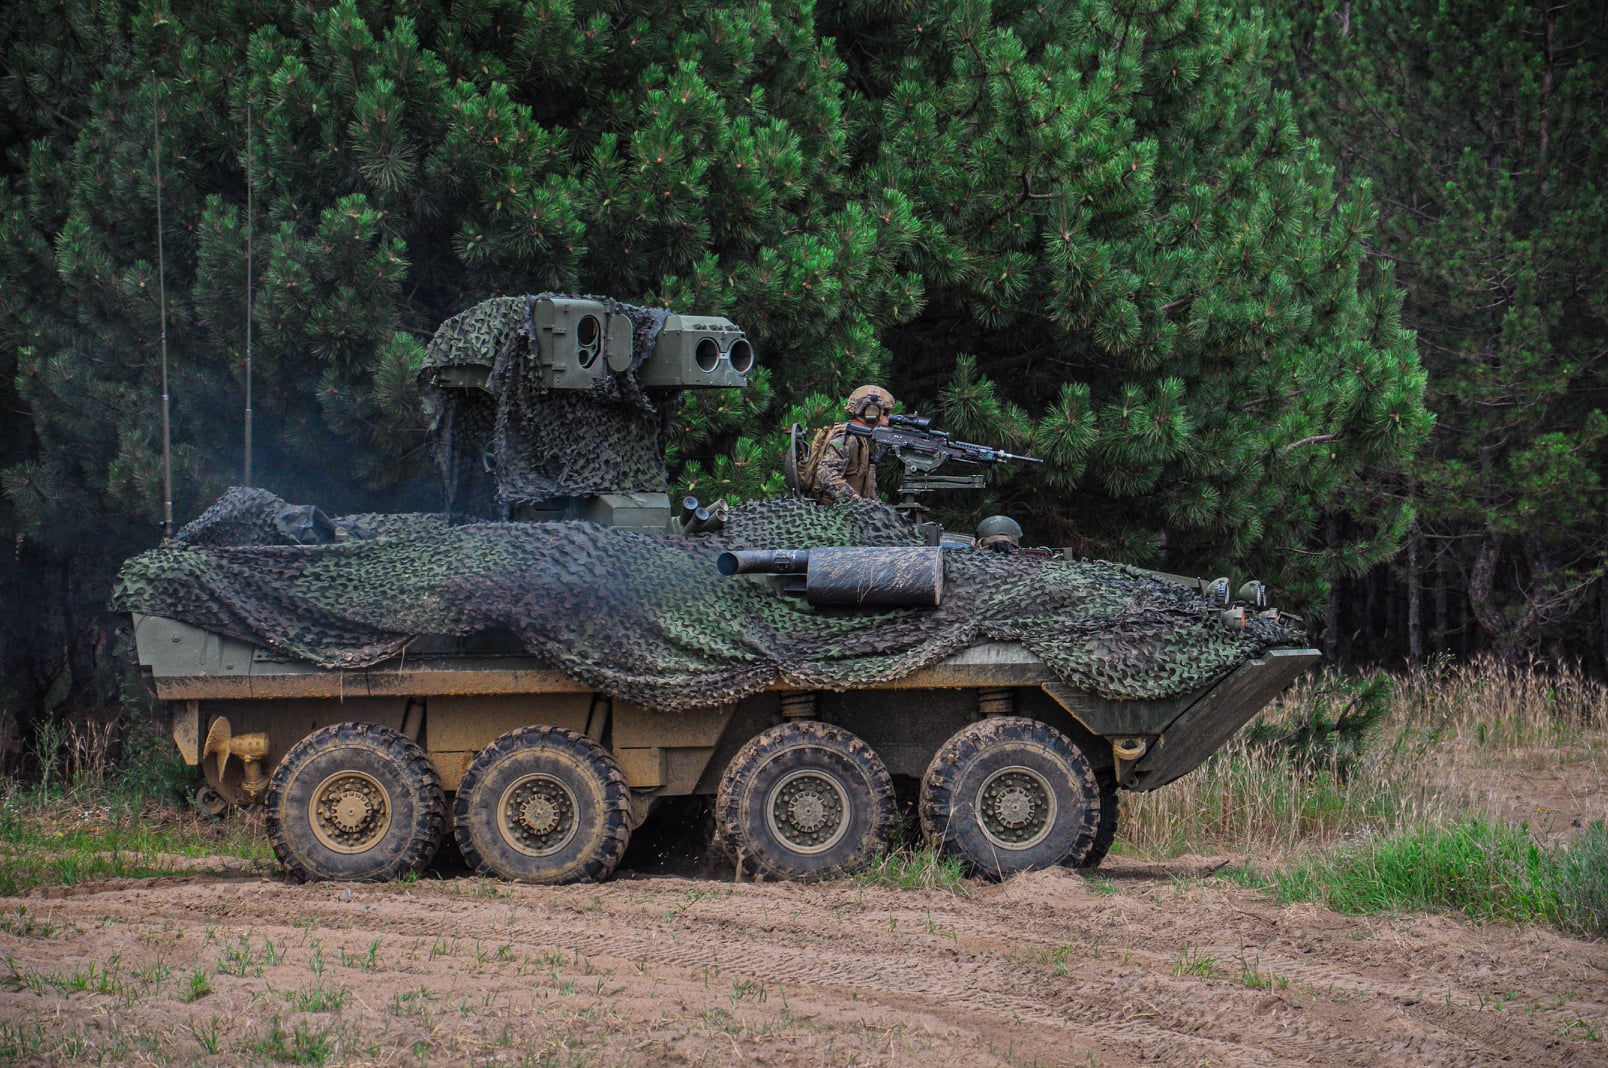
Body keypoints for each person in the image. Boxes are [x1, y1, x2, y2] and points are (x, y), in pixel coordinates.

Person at [810, 385, 894, 504]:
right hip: (833, 511)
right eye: (885, 414)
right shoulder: (848, 438)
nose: (887, 420)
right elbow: (826, 474)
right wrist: (855, 499)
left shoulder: (861, 439)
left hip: (848, 510)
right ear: (871, 412)